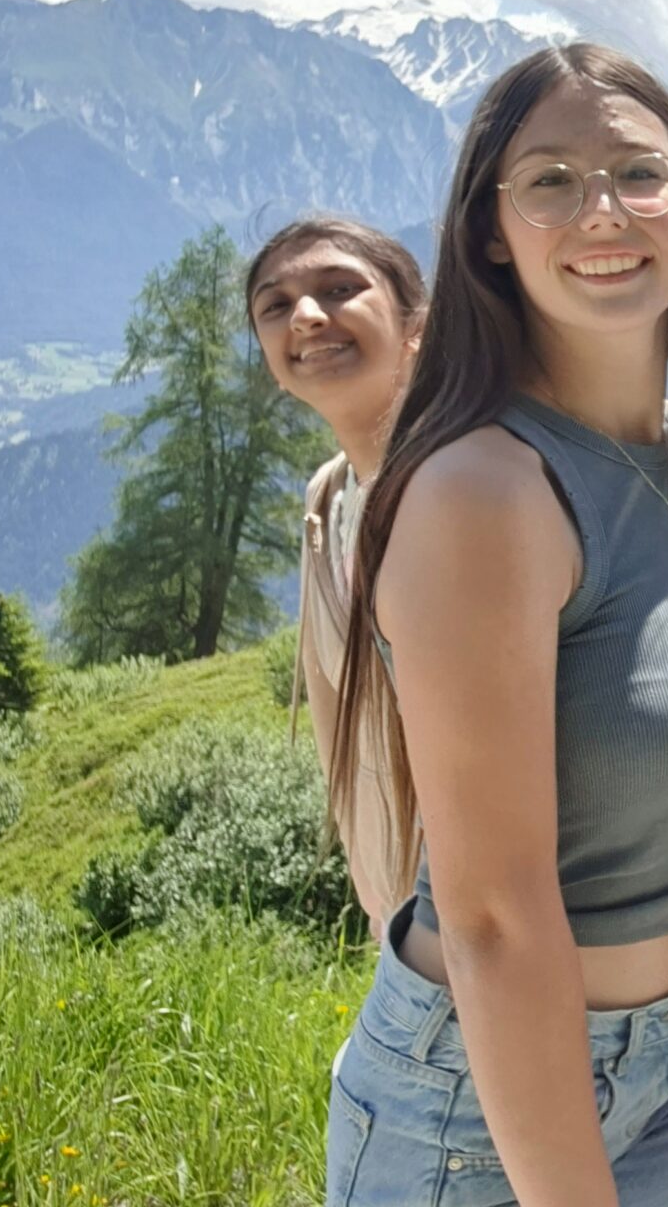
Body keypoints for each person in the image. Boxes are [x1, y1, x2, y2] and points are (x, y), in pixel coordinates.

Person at [326, 43, 668, 1207]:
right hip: (483, 1104)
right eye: (550, 179)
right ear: (491, 229)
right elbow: (493, 917)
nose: (604, 210)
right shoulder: (481, 492)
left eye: (641, 173)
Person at [245, 216, 426, 939]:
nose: (307, 316)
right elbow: (333, 715)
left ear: (419, 324)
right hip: (406, 918)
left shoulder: (470, 486)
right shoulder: (327, 498)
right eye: (276, 305)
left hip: (511, 926)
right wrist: (370, 876)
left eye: (339, 288)